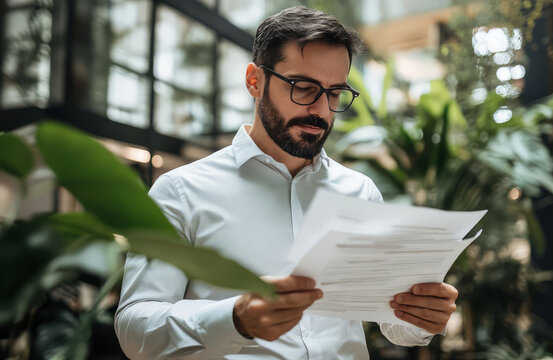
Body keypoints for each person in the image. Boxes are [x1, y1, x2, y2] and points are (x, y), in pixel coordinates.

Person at [115, 6, 458, 359]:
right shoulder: (180, 191)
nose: (322, 111)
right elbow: (134, 329)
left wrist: (422, 317)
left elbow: (393, 325)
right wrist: (233, 318)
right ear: (254, 81)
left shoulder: (360, 191)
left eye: (335, 93)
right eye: (304, 87)